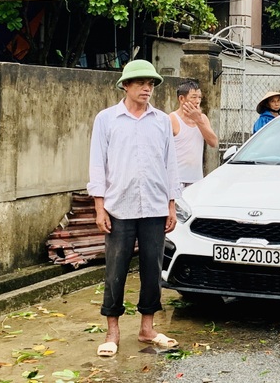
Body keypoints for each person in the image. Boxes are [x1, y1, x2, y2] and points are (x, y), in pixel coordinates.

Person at [87, 60, 181, 358]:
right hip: (119, 207)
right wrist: (99, 207)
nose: (147, 88)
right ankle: (112, 330)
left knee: (152, 269)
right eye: (141, 83)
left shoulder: (162, 120)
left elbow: (170, 164)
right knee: (115, 270)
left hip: (154, 205)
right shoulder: (107, 119)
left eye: (151, 84)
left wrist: (172, 205)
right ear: (125, 85)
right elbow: (97, 165)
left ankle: (147, 328)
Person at [169, 80, 219, 188]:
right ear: (182, 99)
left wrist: (198, 120)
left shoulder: (203, 119)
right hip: (177, 180)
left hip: (197, 179)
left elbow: (214, 142)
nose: (197, 101)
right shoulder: (172, 119)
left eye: (199, 97)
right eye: (193, 97)